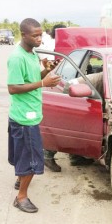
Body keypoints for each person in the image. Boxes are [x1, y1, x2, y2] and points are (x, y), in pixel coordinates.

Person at [7, 18, 61, 213]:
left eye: (41, 35)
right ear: (24, 35)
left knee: (22, 154)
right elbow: (13, 88)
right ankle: (21, 197)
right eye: (35, 35)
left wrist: (46, 72)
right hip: (24, 118)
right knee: (31, 159)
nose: (40, 38)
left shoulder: (32, 53)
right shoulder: (17, 57)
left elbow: (31, 78)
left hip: (30, 114)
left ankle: (19, 179)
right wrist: (43, 84)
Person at [39, 24, 67, 172]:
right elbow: (47, 62)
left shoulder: (59, 44)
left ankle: (78, 155)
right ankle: (48, 154)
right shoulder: (52, 44)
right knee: (60, 123)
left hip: (55, 78)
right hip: (55, 80)